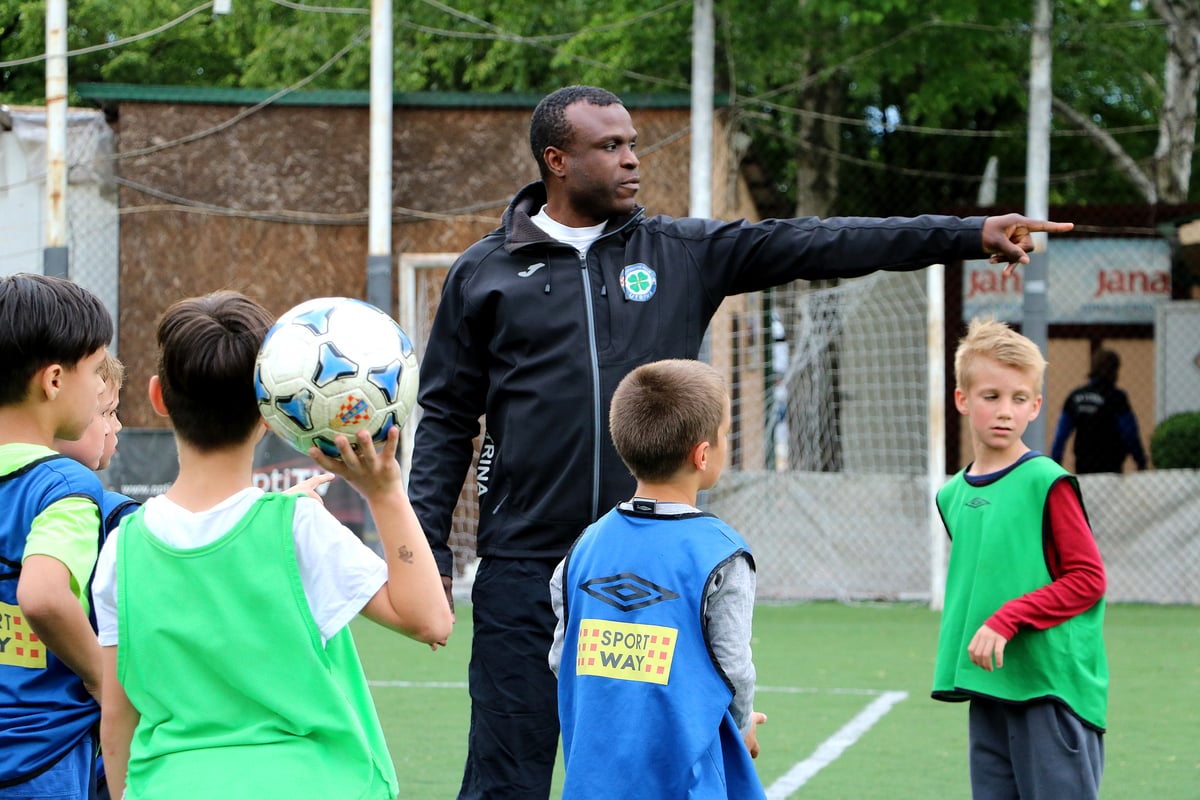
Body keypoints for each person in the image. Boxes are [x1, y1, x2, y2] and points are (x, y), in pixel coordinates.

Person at [407, 83, 1076, 799]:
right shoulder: (485, 273)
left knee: (655, 777)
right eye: (610, 147)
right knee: (506, 775)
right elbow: (447, 416)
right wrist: (425, 547)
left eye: (633, 143)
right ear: (557, 161)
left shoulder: (682, 252)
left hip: (654, 570)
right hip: (524, 565)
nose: (633, 159)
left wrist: (966, 235)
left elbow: (824, 240)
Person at [94, 291, 453, 800]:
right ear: (271, 412)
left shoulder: (121, 550)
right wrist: (385, 492)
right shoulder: (298, 528)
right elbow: (432, 620)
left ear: (157, 396)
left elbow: (117, 721)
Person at [549, 359, 767, 798]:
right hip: (684, 782)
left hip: (594, 779)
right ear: (703, 455)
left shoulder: (584, 547)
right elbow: (733, 667)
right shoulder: (722, 554)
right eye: (725, 434)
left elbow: (562, 657)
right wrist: (742, 727)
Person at [932, 317, 1108, 800]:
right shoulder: (951, 495)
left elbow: (1088, 580)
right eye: (991, 396)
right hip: (991, 688)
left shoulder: (1045, 481)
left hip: (1050, 690)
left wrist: (1009, 618)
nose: (1004, 411)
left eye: (1018, 398)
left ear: (1035, 406)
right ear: (963, 400)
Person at [0, 273, 113, 800]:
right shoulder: (61, 486)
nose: (99, 387)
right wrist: (100, 679)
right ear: (53, 381)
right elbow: (43, 596)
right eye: (95, 370)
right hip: (38, 755)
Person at [52, 350, 136, 800]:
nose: (115, 426)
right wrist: (101, 679)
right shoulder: (111, 518)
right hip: (73, 748)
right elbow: (46, 598)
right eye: (105, 412)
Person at [1050, 348, 1147, 473]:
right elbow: (1129, 432)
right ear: (1114, 371)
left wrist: (1055, 463)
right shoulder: (1116, 397)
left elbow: (1061, 435)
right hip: (1111, 465)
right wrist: (1140, 460)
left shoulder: (1075, 397)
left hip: (1083, 464)